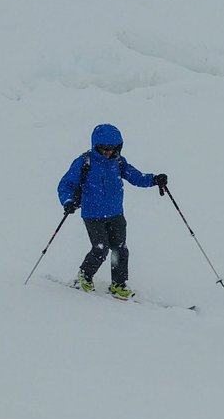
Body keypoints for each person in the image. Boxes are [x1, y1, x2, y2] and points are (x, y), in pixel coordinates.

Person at [57, 123, 167, 299]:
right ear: (96, 146)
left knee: (120, 249)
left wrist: (154, 180)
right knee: (101, 248)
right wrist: (68, 201)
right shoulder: (84, 162)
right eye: (104, 149)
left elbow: (135, 176)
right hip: (93, 214)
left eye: (113, 148)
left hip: (116, 213)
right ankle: (84, 276)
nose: (108, 152)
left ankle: (118, 284)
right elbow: (66, 184)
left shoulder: (118, 162)